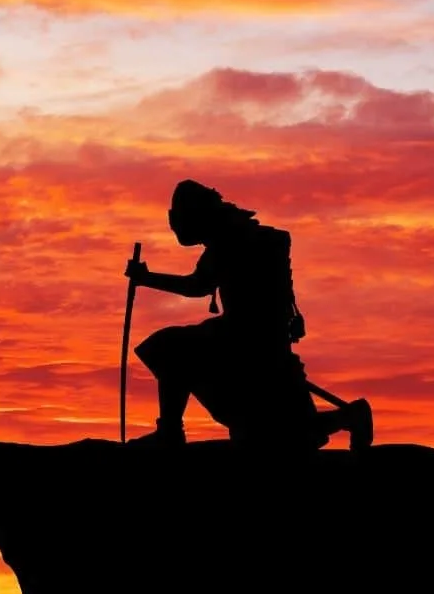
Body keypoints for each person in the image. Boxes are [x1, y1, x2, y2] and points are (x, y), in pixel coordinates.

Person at [124, 179, 329, 452]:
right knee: (283, 429)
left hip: (243, 337)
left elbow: (197, 286)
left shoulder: (229, 241)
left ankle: (170, 432)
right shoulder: (240, 237)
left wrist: (146, 278)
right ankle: (352, 417)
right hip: (256, 334)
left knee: (168, 346)